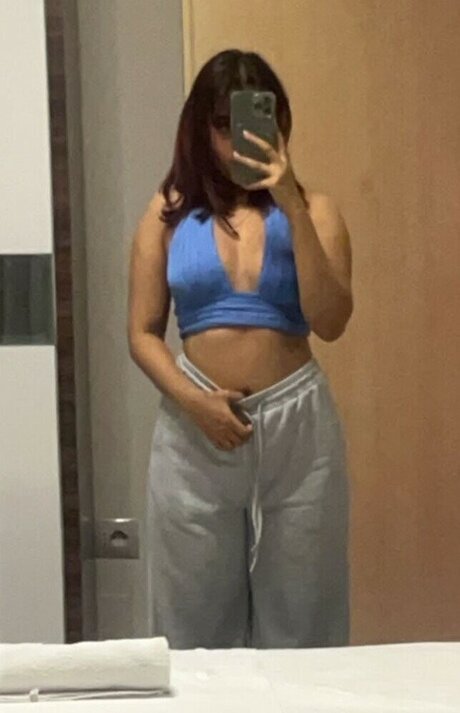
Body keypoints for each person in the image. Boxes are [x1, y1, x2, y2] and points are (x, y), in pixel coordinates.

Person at [128, 49, 353, 649]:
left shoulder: (317, 210)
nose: (238, 140)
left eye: (255, 121)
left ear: (280, 122)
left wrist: (291, 206)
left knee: (306, 621)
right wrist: (193, 402)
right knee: (190, 624)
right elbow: (142, 332)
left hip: (297, 426)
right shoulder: (167, 215)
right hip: (195, 423)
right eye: (224, 126)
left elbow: (331, 321)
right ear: (202, 129)